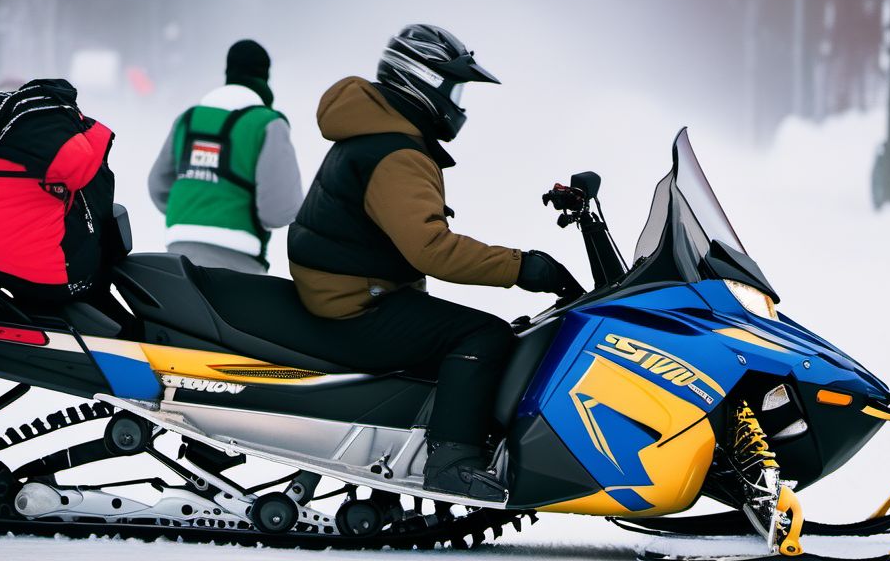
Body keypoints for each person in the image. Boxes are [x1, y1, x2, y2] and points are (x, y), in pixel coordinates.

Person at [287, 24, 579, 501]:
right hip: (355, 304)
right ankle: (452, 463)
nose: (458, 104)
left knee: (449, 329)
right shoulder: (396, 151)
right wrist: (524, 268)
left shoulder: (376, 131)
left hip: (344, 291)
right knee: (483, 335)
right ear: (423, 81)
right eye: (455, 89)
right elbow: (431, 250)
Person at [148, 39, 302, 274]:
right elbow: (279, 211)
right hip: (239, 259)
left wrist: (197, 207)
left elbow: (158, 186)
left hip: (178, 250)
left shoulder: (188, 119)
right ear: (265, 77)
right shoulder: (268, 124)